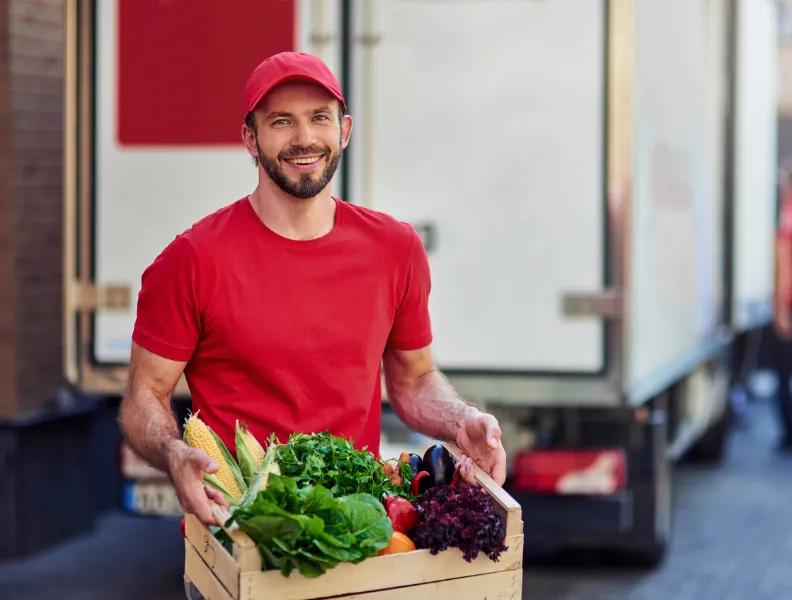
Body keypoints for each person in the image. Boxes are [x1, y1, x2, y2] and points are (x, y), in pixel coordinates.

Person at [118, 51, 507, 531]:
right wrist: (174, 452)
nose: (304, 139)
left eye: (318, 118)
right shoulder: (192, 259)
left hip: (357, 527)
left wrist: (459, 420)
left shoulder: (394, 248)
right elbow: (143, 398)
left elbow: (412, 380)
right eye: (281, 121)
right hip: (239, 530)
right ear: (250, 140)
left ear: (343, 130)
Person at [772, 162, 792, 453]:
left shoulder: (790, 212)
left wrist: (780, 310)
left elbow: (785, 263)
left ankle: (789, 437)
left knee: (786, 377)